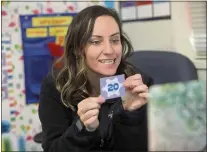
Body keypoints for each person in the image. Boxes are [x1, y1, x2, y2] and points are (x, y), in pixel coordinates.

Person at [38, 5, 153, 152]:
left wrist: (129, 116)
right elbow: (53, 149)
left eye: (115, 40)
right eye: (96, 41)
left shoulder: (138, 84)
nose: (109, 50)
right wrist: (82, 128)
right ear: (79, 49)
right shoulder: (56, 85)